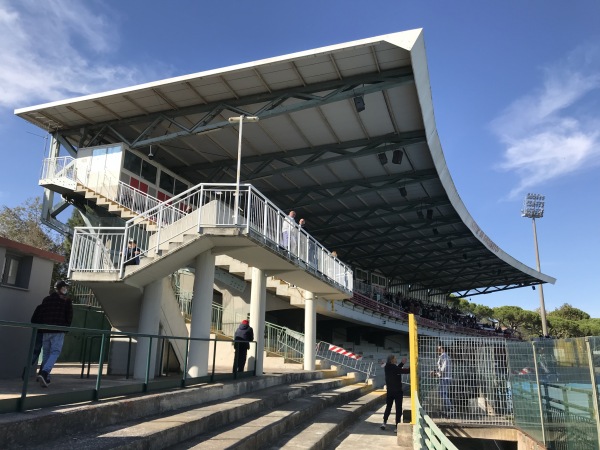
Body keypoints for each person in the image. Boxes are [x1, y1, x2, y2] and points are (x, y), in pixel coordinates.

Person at [36, 280, 73, 387]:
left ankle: (45, 378)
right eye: (65, 287)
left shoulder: (46, 299)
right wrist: (66, 328)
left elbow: (41, 314)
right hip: (58, 330)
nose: (66, 289)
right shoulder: (66, 301)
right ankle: (45, 372)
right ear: (61, 288)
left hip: (45, 330)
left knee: (46, 353)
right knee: (55, 352)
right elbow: (69, 316)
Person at [380, 354, 410, 430]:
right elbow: (404, 371)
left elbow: (396, 369)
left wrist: (402, 363)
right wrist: (412, 367)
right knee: (398, 408)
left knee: (388, 407)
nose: (396, 359)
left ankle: (384, 422)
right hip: (397, 391)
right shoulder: (394, 367)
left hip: (390, 391)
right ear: (392, 360)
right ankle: (397, 426)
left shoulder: (387, 367)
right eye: (395, 358)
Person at [21, 302, 45, 380]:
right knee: (48, 353)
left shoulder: (39, 307)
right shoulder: (52, 308)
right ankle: (42, 374)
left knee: (35, 352)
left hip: (38, 331)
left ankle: (27, 369)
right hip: (48, 331)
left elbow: (33, 320)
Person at [432, 345, 455, 417]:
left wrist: (436, 374)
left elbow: (443, 369)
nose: (437, 350)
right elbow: (441, 368)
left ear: (442, 349)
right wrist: (436, 372)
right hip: (444, 378)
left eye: (439, 349)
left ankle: (450, 408)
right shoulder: (443, 357)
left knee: (442, 393)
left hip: (445, 378)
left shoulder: (444, 357)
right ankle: (448, 409)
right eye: (437, 349)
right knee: (443, 393)